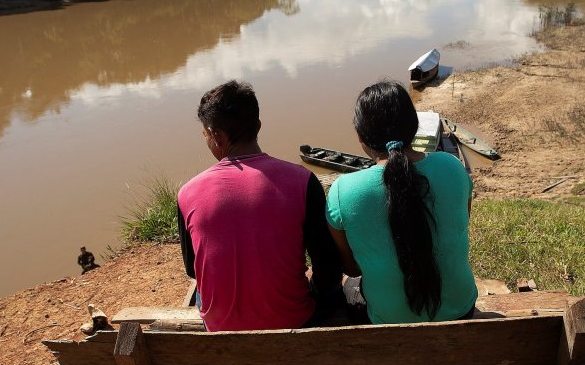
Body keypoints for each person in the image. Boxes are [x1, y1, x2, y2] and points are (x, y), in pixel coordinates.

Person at [177, 80, 342, 331]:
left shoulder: (188, 193)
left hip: (221, 327)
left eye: (206, 135)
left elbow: (193, 270)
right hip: (295, 318)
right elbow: (328, 266)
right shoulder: (302, 181)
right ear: (258, 125)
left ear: (217, 136)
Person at [326, 80, 478, 324]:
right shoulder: (453, 167)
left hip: (388, 321)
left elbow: (352, 268)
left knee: (351, 284)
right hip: (461, 310)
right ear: (415, 127)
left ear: (360, 137)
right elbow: (461, 225)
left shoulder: (343, 191)